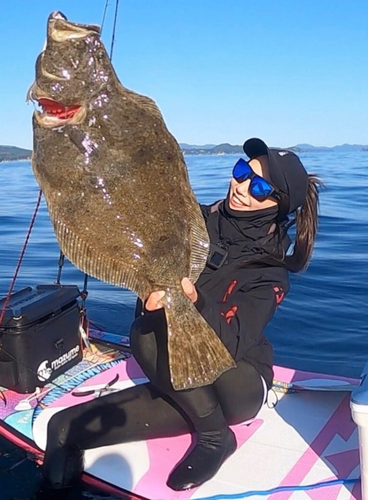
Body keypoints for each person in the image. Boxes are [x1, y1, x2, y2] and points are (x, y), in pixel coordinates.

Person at [41, 138, 322, 492]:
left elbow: (232, 343)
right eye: (241, 172)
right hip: (181, 376)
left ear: (277, 205)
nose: (241, 187)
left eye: (260, 187)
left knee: (145, 334)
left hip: (236, 384)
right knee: (62, 430)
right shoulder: (195, 221)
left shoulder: (270, 271)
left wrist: (194, 301)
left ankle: (215, 437)